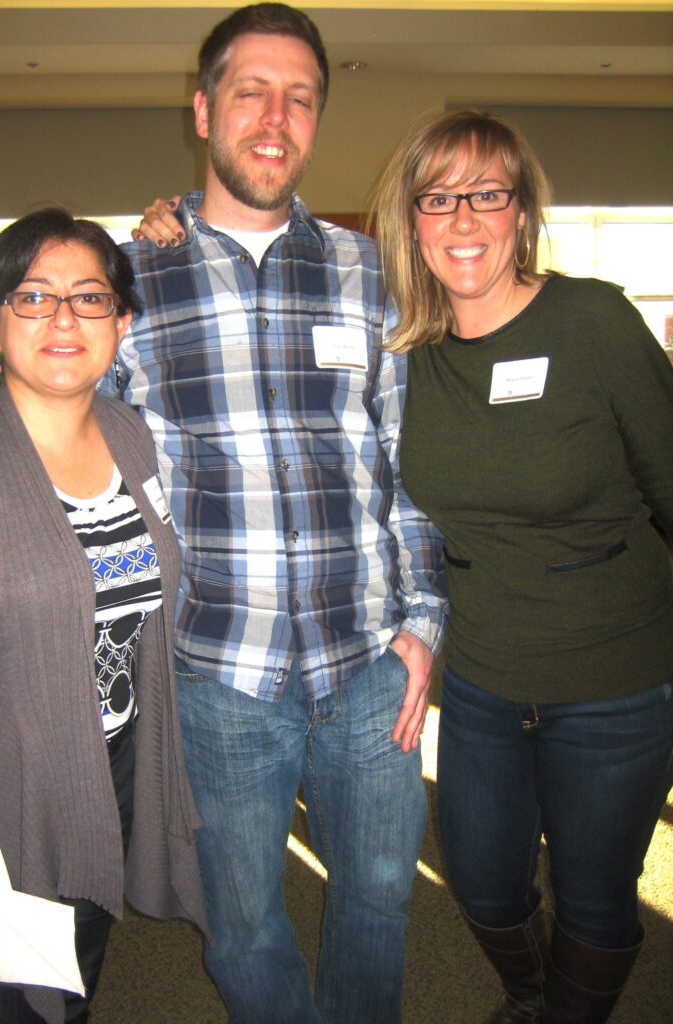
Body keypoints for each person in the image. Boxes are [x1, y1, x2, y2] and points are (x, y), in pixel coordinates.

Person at [105, 5, 446, 1024]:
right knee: (243, 924)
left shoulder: (370, 272)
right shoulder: (129, 278)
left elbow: (407, 463)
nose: (275, 116)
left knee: (381, 899)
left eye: (300, 97)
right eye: (250, 91)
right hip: (219, 674)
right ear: (203, 109)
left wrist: (424, 621)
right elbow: (49, 415)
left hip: (370, 663)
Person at [371, 108, 673, 1024]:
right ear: (412, 222)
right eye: (439, 199)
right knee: (483, 878)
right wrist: (173, 225)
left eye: (487, 195)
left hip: (615, 678)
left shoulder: (593, 320)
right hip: (484, 679)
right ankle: (531, 993)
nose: (464, 220)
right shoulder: (408, 351)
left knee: (595, 892)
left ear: (523, 211)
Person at [0, 208, 206, 1024]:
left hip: (107, 784)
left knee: (72, 987)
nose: (64, 319)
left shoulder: (130, 435)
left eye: (90, 297)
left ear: (122, 322)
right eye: (34, 297)